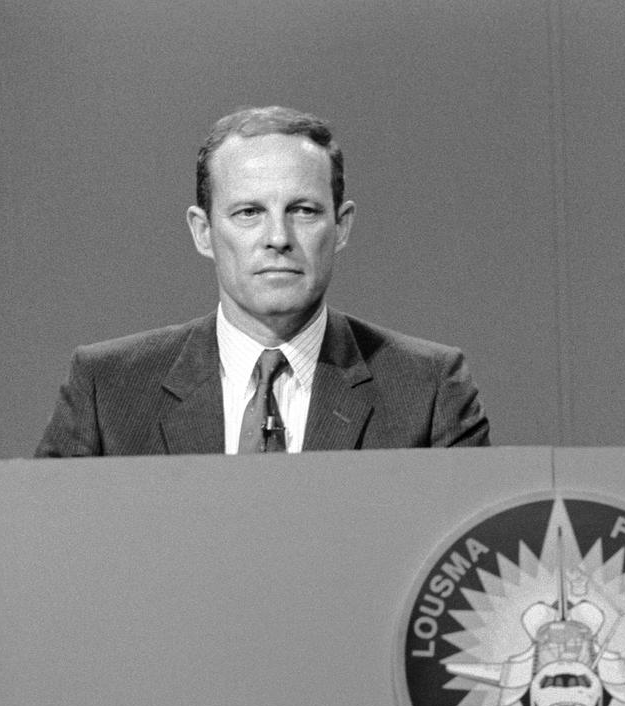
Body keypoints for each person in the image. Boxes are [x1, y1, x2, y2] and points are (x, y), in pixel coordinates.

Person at [36, 106, 488, 456]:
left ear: (342, 226)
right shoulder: (108, 389)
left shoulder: (429, 391)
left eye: (303, 211)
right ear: (204, 232)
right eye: (249, 213)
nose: (278, 238)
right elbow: (45, 548)